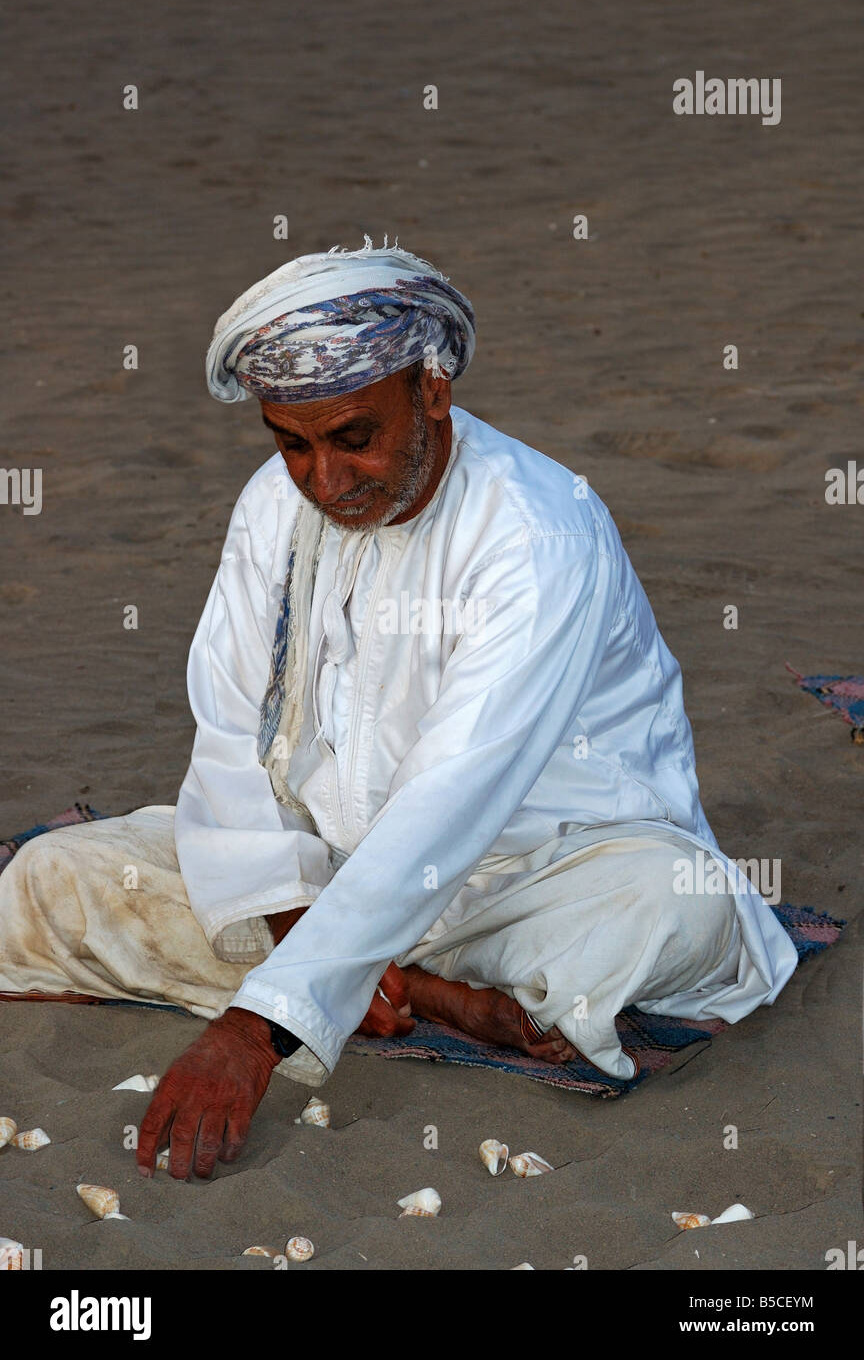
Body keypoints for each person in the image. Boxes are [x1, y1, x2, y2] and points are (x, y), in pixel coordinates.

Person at [0, 238, 797, 1182]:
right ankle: (412, 989)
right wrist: (298, 927)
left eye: (352, 438)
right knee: (46, 881)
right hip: (331, 875)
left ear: (432, 392)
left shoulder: (537, 534)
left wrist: (258, 1032)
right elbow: (227, 734)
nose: (325, 482)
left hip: (539, 875)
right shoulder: (274, 508)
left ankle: (360, 979)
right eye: (292, 444)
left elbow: (452, 801)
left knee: (669, 911)